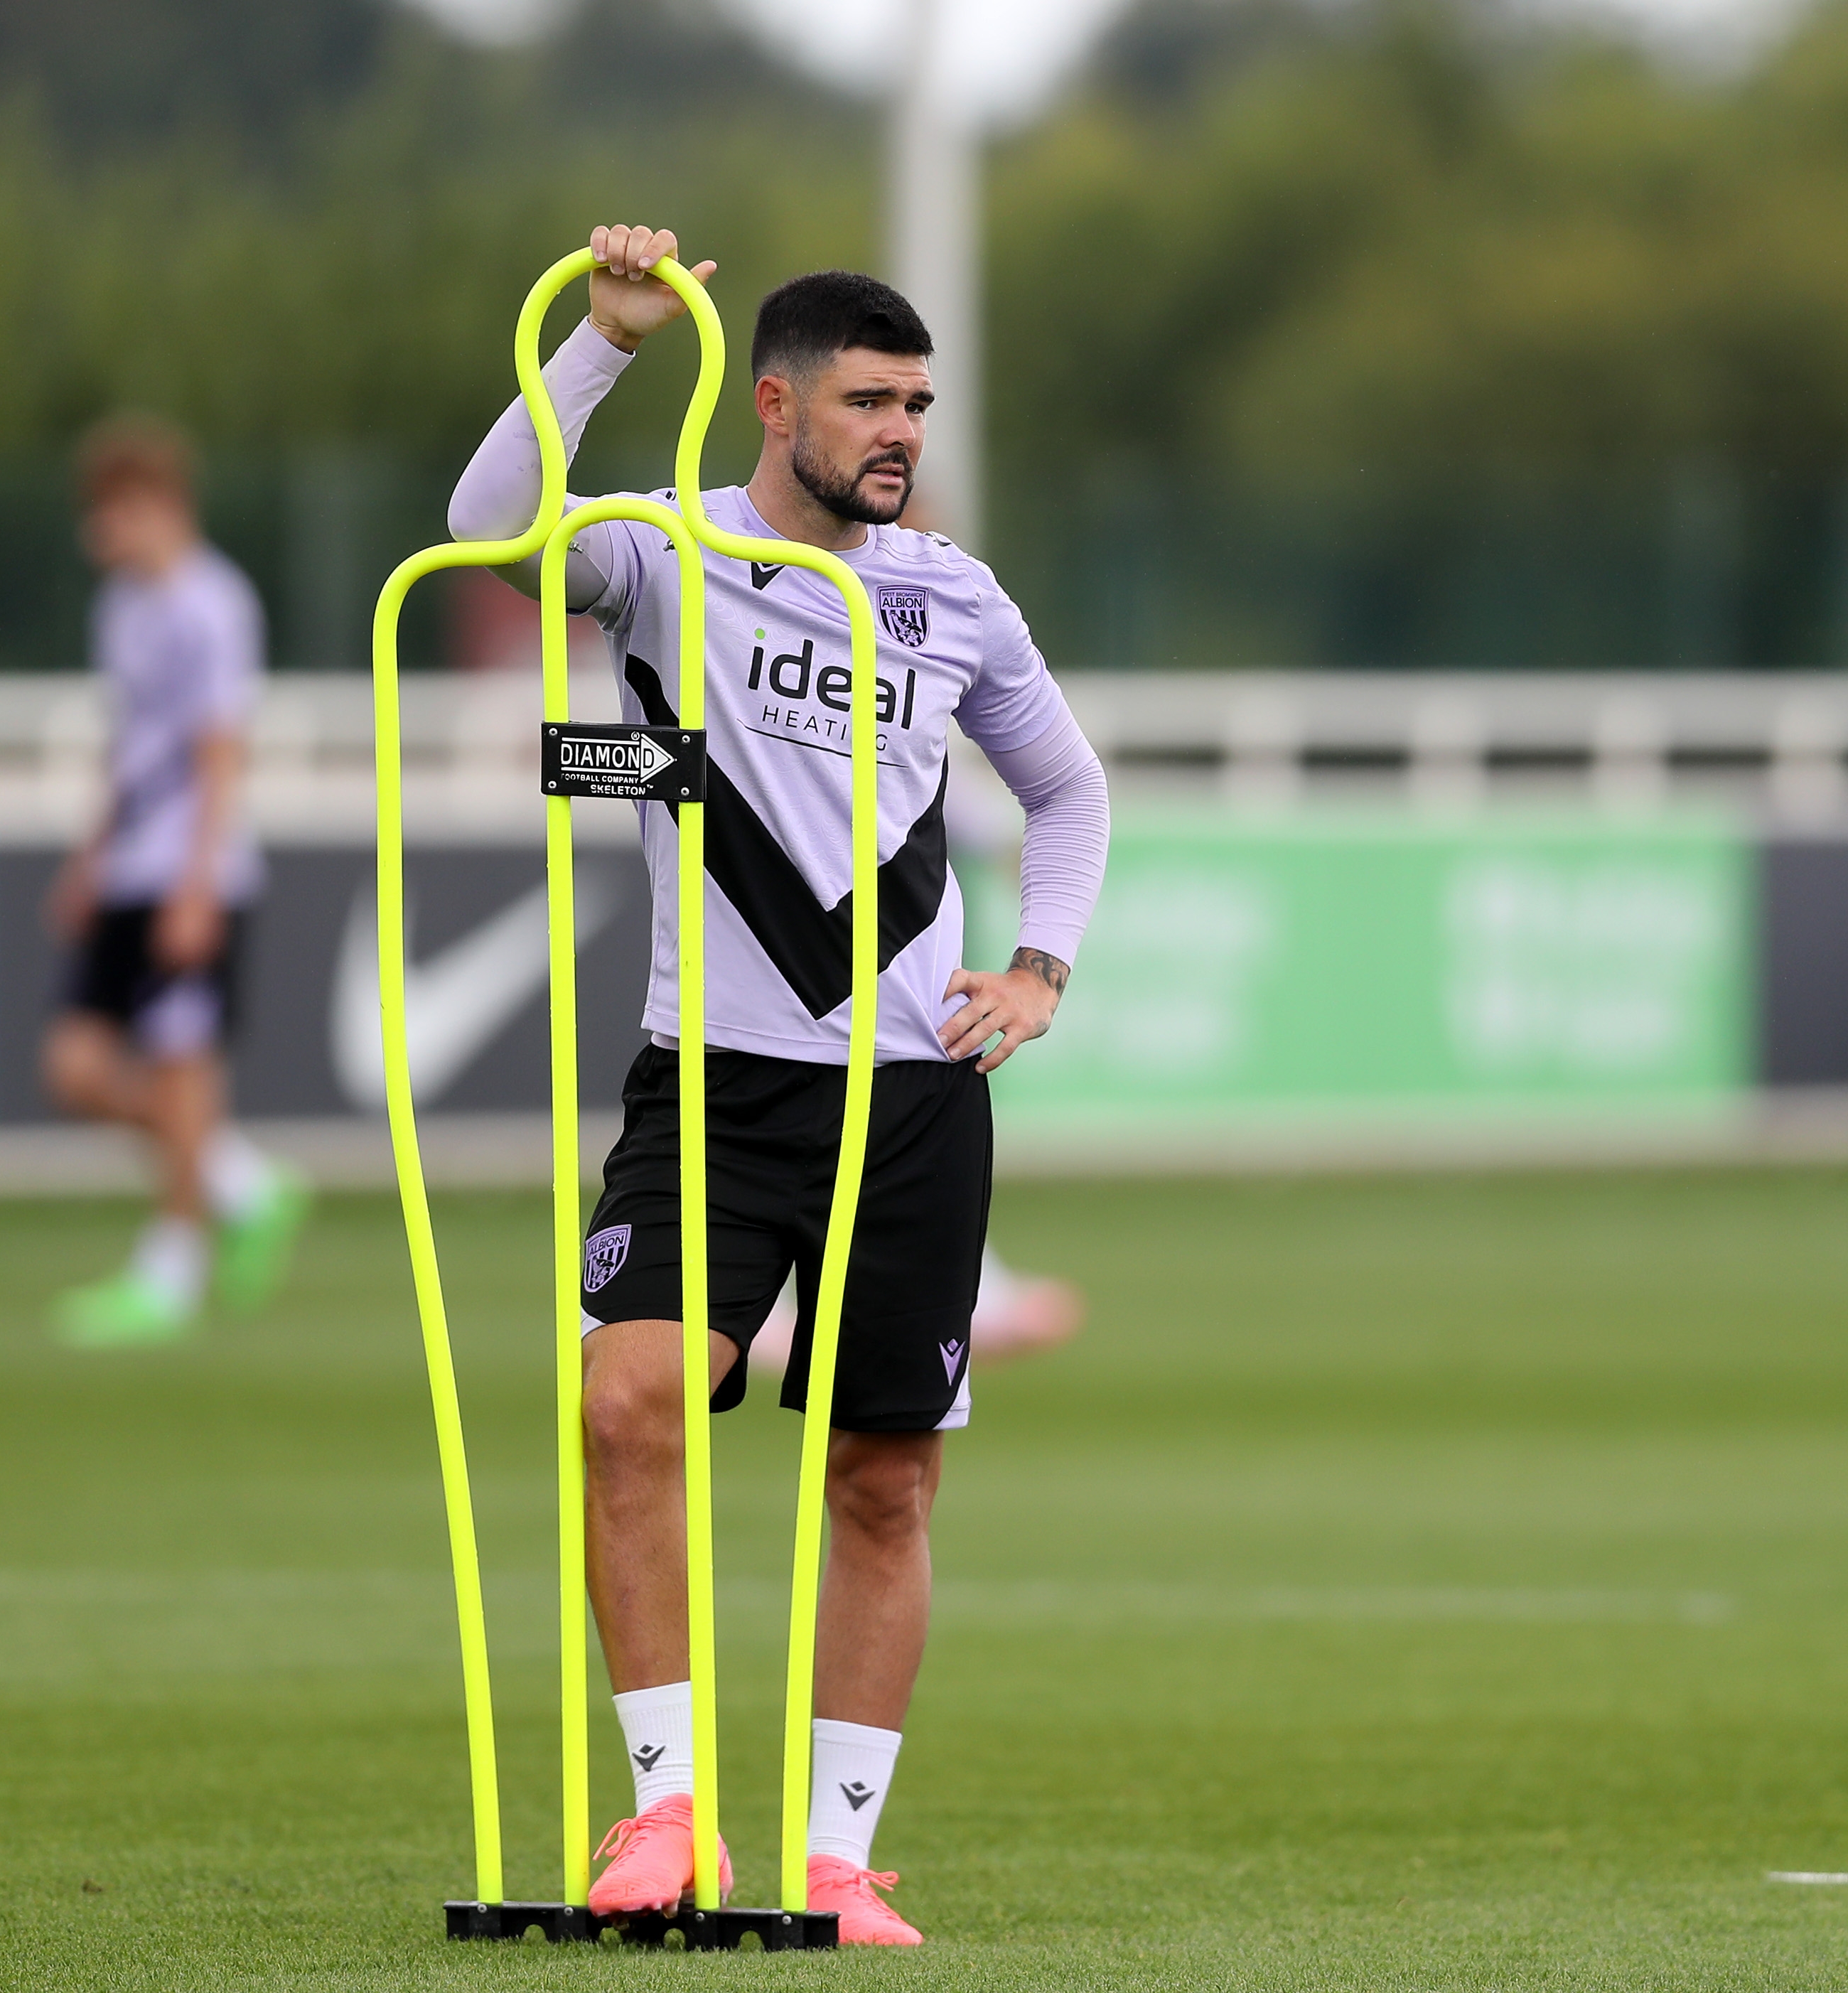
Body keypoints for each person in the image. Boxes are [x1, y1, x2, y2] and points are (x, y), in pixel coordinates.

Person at [448, 225, 1110, 1945]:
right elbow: (485, 534)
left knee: (883, 1475)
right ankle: (668, 1818)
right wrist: (598, 344)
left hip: (912, 1095)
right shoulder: (669, 554)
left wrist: (1039, 969)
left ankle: (838, 1858)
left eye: (918, 404)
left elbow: (1069, 792)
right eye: (872, 400)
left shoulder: (950, 591)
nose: (902, 431)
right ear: (775, 401)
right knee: (628, 1398)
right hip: (712, 1084)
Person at [42, 417, 311, 1347]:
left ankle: (171, 1269)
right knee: (74, 1069)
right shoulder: (120, 608)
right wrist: (90, 855)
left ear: (154, 506)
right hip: (127, 870)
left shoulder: (213, 605)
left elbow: (218, 751)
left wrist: (198, 885)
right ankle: (242, 1183)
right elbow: (129, 746)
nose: (97, 535)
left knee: (182, 1069)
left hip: (195, 874)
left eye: (108, 514)